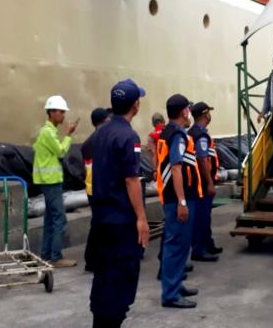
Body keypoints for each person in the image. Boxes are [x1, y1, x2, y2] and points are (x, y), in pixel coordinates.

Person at [86, 79, 150, 328]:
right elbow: (131, 180)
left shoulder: (100, 132)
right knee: (121, 282)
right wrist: (141, 218)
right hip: (121, 222)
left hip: (101, 218)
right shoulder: (128, 136)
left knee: (103, 279)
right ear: (136, 105)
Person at [156, 94, 202, 308]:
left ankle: (174, 284)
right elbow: (176, 167)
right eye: (188, 109)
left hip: (174, 197)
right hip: (178, 199)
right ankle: (171, 293)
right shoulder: (177, 136)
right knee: (176, 244)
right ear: (184, 111)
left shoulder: (169, 132)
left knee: (178, 244)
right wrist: (182, 202)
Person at [33, 95, 79, 267]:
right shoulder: (48, 133)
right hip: (50, 181)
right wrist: (68, 135)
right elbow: (60, 152)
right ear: (51, 113)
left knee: (50, 219)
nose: (63, 116)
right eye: (61, 112)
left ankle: (46, 254)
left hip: (48, 180)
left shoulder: (48, 132)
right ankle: (56, 256)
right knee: (59, 218)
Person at [189, 102, 222, 261]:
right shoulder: (200, 135)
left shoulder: (195, 132)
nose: (210, 115)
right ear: (204, 115)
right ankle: (199, 249)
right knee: (201, 216)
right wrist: (209, 183)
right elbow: (202, 160)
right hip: (201, 183)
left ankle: (208, 243)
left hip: (200, 181)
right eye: (209, 112)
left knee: (205, 215)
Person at [82, 107, 112, 273]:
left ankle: (92, 259)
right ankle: (94, 260)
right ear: (105, 120)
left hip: (91, 186)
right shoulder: (101, 140)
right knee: (100, 224)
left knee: (97, 223)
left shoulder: (88, 142)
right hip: (100, 187)